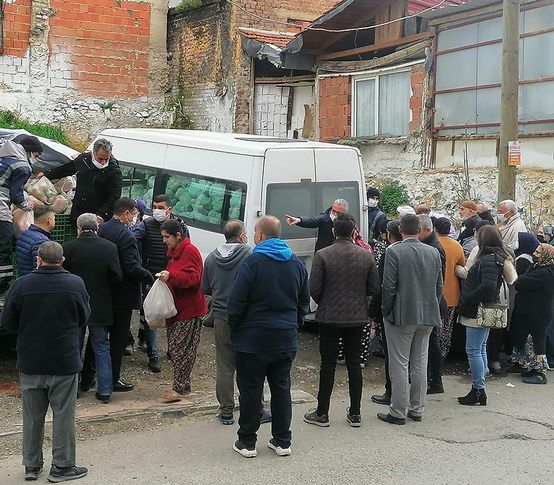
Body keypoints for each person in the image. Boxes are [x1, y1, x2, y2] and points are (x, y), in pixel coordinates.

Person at [0, 241, 90, 482]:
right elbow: (84, 317)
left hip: (31, 361)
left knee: (31, 416)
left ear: (38, 260)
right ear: (62, 261)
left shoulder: (21, 285)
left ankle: (31, 465)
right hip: (63, 361)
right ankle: (62, 467)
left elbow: (7, 322)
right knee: (63, 414)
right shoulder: (75, 284)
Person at [227, 215, 309, 458]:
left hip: (253, 339)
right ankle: (283, 440)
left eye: (254, 232)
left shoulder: (253, 263)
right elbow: (304, 301)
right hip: (284, 337)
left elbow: (237, 301)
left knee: (251, 389)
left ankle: (247, 442)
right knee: (281, 388)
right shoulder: (296, 263)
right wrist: (294, 324)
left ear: (260, 235)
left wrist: (236, 329)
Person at [304, 214, 379, 428]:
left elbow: (314, 288)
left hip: (329, 316)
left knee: (327, 364)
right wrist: (358, 298)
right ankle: (355, 413)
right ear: (354, 231)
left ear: (333, 231)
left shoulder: (323, 254)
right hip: (356, 317)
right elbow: (374, 288)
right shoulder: (366, 256)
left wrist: (326, 300)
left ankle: (322, 412)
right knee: (354, 364)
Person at [378, 214, 443, 425]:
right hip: (428, 314)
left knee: (399, 364)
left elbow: (388, 286)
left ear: (401, 229)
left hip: (402, 314)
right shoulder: (433, 252)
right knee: (420, 362)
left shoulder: (394, 251)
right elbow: (438, 286)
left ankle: (397, 410)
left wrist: (385, 311)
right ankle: (417, 408)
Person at [63, 213, 123, 403]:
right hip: (100, 305)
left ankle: (74, 389)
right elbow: (117, 277)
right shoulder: (109, 248)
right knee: (101, 347)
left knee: (74, 347)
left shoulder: (69, 248)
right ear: (97, 228)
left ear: (78, 229)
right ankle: (104, 391)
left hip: (75, 305)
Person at [98, 197, 154, 392]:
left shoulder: (103, 228)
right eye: (135, 214)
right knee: (118, 339)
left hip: (106, 292)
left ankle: (89, 375)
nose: (135, 217)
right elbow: (131, 267)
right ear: (127, 213)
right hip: (123, 295)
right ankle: (113, 378)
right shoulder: (126, 235)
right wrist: (149, 277)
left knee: (98, 337)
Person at [201, 220, 252, 425]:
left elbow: (206, 288)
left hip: (221, 317)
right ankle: (252, 407)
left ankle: (226, 411)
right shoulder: (249, 255)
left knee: (224, 366)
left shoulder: (212, 257)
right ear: (241, 236)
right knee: (248, 365)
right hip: (246, 318)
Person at [131, 195, 190, 371]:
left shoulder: (180, 226)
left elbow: (186, 247)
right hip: (152, 276)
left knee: (173, 313)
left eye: (161, 207)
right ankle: (153, 354)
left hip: (173, 276)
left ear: (169, 209)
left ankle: (173, 348)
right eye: (155, 206)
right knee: (153, 314)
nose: (157, 210)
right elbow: (133, 237)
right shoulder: (147, 225)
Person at [457, 225, 510, 406]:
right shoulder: (496, 257)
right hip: (483, 310)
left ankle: (478, 389)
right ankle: (479, 387)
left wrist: (467, 300)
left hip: (477, 311)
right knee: (480, 348)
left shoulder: (487, 259)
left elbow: (487, 287)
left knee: (474, 350)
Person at [158, 219, 207, 402]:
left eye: (167, 237)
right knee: (176, 347)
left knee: (182, 349)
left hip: (189, 309)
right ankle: (182, 384)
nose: (164, 241)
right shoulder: (173, 252)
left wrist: (172, 276)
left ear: (178, 236)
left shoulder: (190, 251)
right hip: (176, 308)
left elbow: (194, 278)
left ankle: (179, 387)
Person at [42, 138, 123, 224]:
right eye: (100, 159)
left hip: (97, 215)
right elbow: (67, 169)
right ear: (93, 153)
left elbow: (114, 196)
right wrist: (47, 174)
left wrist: (102, 215)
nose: (103, 162)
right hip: (78, 211)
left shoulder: (114, 172)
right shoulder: (83, 160)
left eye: (106, 159)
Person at [510, 243, 554, 384]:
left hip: (538, 313)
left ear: (546, 256)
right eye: (535, 251)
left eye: (539, 253)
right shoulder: (537, 267)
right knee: (525, 338)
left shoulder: (546, 273)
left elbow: (520, 282)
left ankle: (539, 373)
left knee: (536, 342)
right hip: (529, 311)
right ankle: (525, 364)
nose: (535, 254)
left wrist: (520, 279)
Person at [370, 220, 402, 406]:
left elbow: (384, 287)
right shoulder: (427, 250)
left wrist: (377, 311)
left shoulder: (390, 253)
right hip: (422, 312)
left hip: (394, 312)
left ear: (389, 235)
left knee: (393, 356)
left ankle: (392, 393)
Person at [0, 138, 38, 294]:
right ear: (29, 151)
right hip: (1, 213)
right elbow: (16, 196)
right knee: (3, 248)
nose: (38, 158)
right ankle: (2, 287)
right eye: (37, 154)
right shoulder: (23, 166)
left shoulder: (3, 157)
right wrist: (28, 205)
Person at [417, 214, 447, 395]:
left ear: (428, 230)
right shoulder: (429, 245)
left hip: (431, 302)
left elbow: (438, 279)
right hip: (429, 300)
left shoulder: (435, 248)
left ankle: (435, 380)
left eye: (418, 230)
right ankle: (431, 378)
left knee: (432, 342)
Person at [435, 217, 466, 359]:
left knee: (434, 327)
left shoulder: (432, 244)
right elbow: (461, 264)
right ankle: (443, 354)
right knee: (447, 327)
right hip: (452, 293)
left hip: (436, 292)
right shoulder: (456, 245)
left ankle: (433, 355)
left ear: (435, 229)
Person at [15, 206, 55, 276]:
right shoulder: (41, 241)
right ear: (50, 220)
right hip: (34, 283)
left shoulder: (25, 234)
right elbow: (40, 270)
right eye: (54, 219)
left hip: (25, 279)